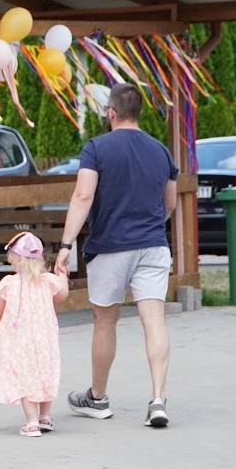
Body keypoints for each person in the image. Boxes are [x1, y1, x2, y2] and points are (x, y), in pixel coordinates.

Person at [55, 82, 178, 428]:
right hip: (154, 246)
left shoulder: (96, 148)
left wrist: (66, 246)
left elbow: (83, 197)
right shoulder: (161, 152)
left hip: (110, 247)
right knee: (154, 320)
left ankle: (98, 397)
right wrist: (151, 227)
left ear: (111, 112)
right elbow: (169, 203)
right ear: (137, 112)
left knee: (105, 321)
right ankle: (157, 399)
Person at [0, 231, 69, 437]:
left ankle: (31, 423)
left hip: (19, 341)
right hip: (45, 339)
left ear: (17, 260)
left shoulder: (9, 283)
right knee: (43, 373)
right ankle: (45, 417)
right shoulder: (48, 281)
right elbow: (62, 296)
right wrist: (63, 275)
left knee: (25, 377)